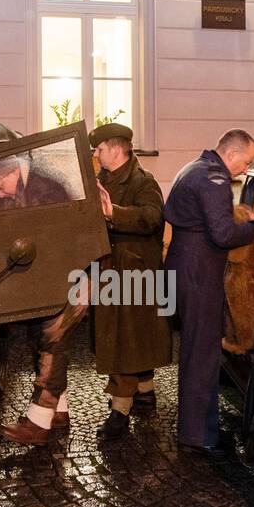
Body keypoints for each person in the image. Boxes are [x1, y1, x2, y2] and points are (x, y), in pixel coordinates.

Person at [163, 130, 254, 453]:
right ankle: (197, 437)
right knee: (202, 356)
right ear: (232, 154)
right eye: (246, 162)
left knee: (198, 352)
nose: (245, 169)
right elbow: (222, 234)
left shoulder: (193, 167)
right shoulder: (214, 179)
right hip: (199, 277)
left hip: (184, 270)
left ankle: (202, 431)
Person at [0, 151, 98, 446]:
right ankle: (59, 412)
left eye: (0, 187)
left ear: (12, 172)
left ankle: (38, 423)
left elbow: (50, 244)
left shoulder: (44, 191)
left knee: (53, 343)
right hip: (56, 278)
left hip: (72, 278)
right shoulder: (29, 186)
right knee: (47, 341)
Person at [89, 123, 171, 439]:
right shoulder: (103, 179)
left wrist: (114, 213)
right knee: (135, 337)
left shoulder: (142, 181)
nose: (96, 155)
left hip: (134, 274)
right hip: (113, 270)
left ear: (117, 148)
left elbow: (152, 218)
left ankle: (120, 411)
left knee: (124, 341)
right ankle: (146, 391)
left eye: (100, 149)